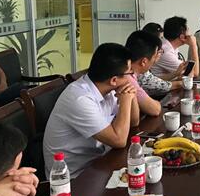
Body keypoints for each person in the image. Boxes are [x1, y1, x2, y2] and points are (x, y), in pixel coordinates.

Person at [43, 43, 140, 178]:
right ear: (114, 80)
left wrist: (131, 95)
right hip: (73, 177)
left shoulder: (105, 87)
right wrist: (126, 100)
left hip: (98, 162)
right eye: (129, 73)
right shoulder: (80, 99)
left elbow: (134, 122)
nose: (131, 76)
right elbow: (119, 140)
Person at [125, 31, 163, 116]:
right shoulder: (126, 77)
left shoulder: (127, 70)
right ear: (144, 62)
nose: (155, 60)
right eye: (155, 56)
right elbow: (155, 109)